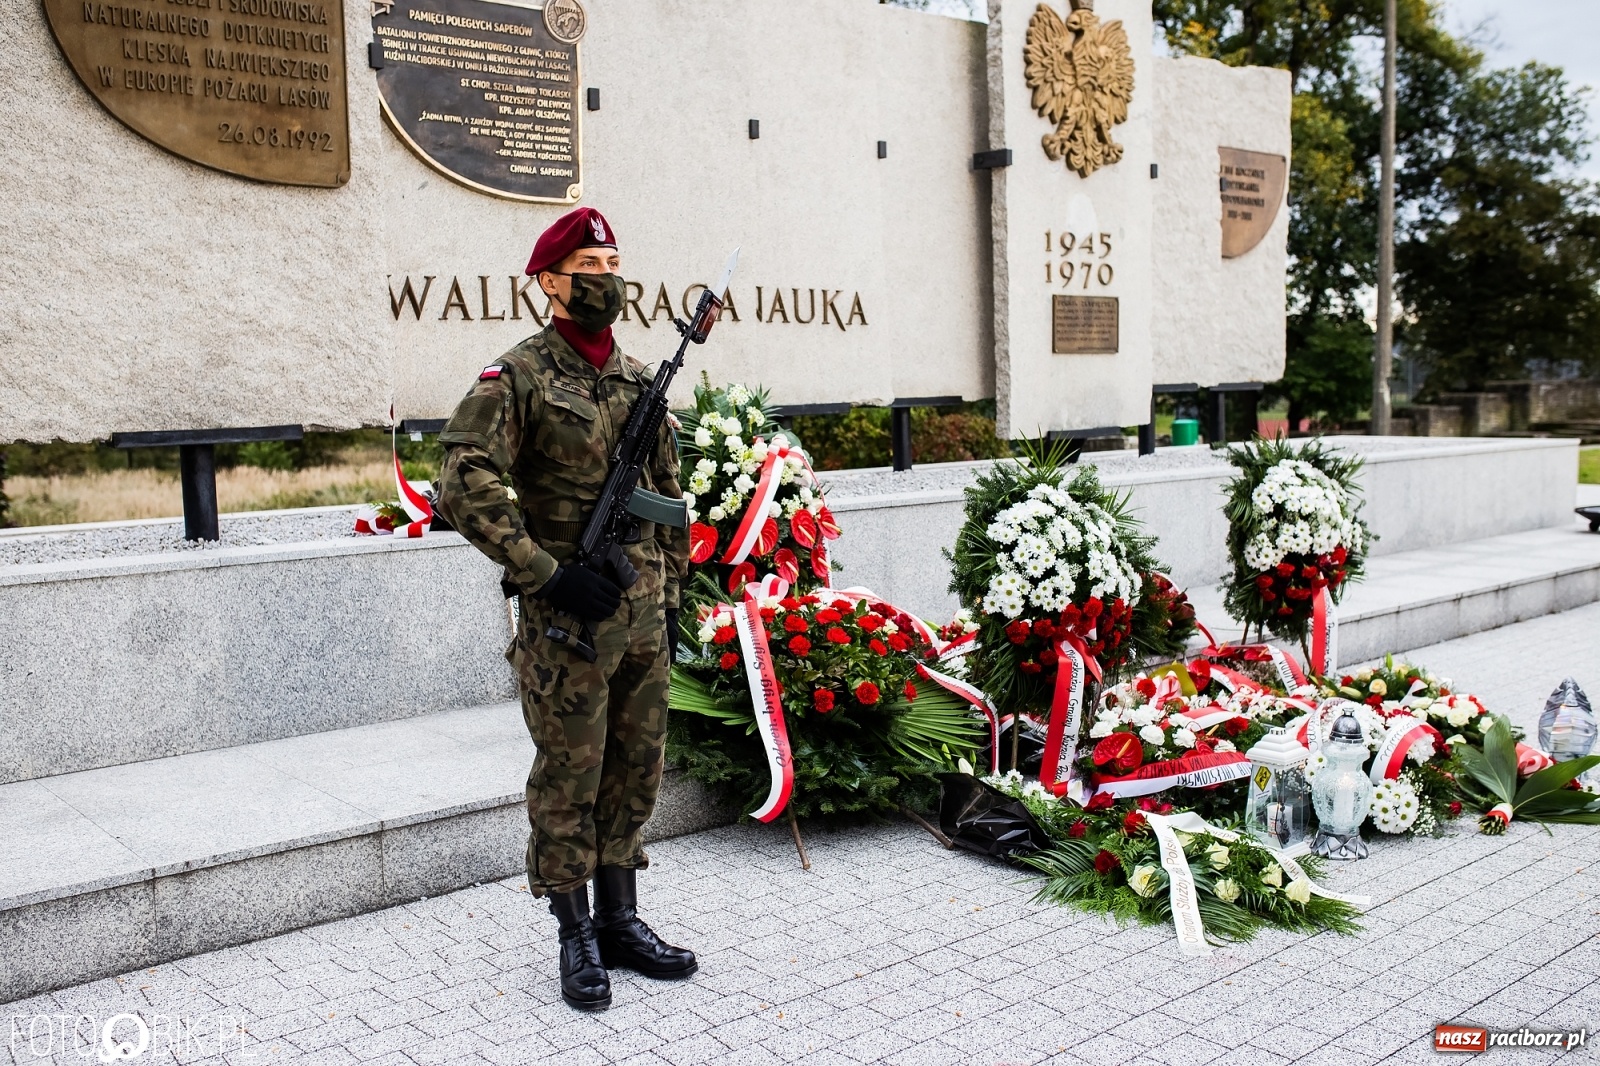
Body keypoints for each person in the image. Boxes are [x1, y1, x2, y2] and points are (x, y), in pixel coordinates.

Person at [434, 207, 694, 1012]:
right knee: (570, 778)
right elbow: (462, 481)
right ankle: (574, 932)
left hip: (640, 615)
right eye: (588, 266)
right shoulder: (517, 377)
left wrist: (672, 599)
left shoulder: (639, 379)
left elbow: (666, 498)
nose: (605, 279)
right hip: (568, 620)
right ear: (550, 282)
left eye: (612, 263)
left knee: (636, 769)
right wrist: (544, 572)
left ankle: (621, 920)